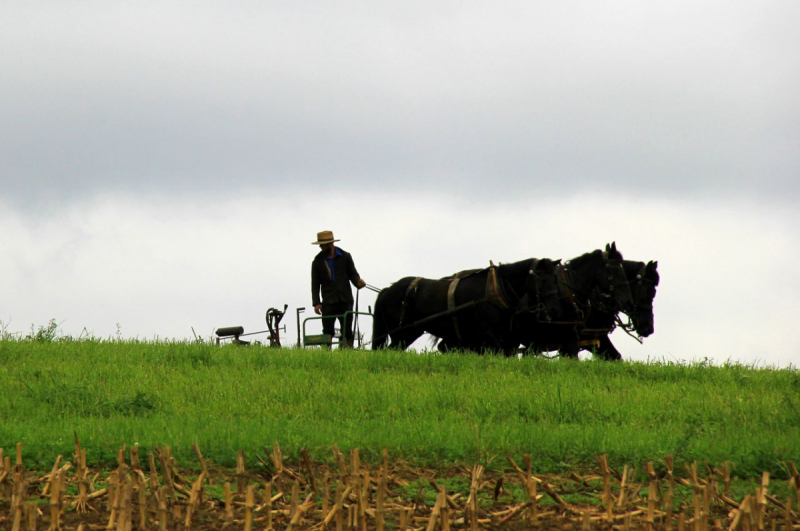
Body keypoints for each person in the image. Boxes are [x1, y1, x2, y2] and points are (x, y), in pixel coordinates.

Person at [311, 230, 366, 348]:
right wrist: (316, 303)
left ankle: (347, 352)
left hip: (345, 300)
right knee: (327, 330)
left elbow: (353, 274)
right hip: (328, 302)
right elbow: (315, 284)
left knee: (347, 330)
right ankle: (326, 354)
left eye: (322, 244)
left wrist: (358, 282)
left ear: (330, 244)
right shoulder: (317, 261)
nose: (320, 247)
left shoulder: (345, 256)